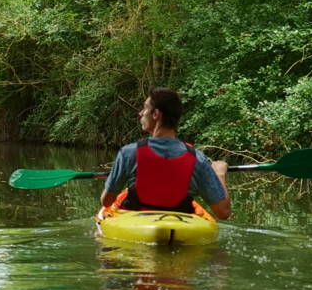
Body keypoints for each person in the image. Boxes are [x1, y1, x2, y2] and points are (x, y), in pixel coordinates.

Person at [99, 87, 231, 222]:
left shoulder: (129, 153)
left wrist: (113, 180)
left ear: (156, 114)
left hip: (137, 224)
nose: (140, 113)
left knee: (98, 234)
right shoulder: (198, 158)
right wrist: (219, 174)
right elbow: (223, 212)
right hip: (180, 226)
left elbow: (106, 201)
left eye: (144, 108)